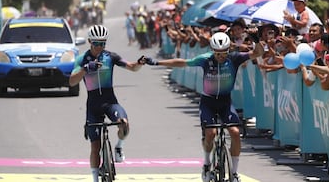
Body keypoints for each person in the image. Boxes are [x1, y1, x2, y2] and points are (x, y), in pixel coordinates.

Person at [143, 32, 265, 182]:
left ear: (228, 50)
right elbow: (182, 62)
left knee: (234, 132)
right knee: (211, 134)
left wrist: (257, 39)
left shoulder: (235, 58)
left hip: (225, 102)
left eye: (224, 53)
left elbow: (258, 52)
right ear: (213, 50)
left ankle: (234, 172)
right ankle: (207, 163)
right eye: (217, 53)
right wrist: (157, 63)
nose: (221, 56)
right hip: (208, 103)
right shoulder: (205, 59)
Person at [69, 25, 144, 182]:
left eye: (103, 43)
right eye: (97, 43)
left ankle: (119, 146)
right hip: (93, 106)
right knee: (95, 146)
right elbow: (71, 81)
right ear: (89, 41)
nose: (100, 47)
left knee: (124, 123)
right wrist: (85, 69)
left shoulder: (110, 56)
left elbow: (132, 67)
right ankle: (95, 178)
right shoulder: (81, 59)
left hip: (110, 102)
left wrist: (139, 63)